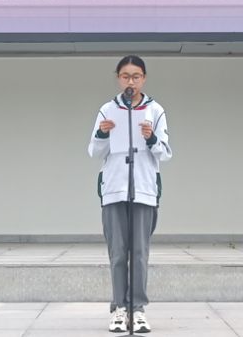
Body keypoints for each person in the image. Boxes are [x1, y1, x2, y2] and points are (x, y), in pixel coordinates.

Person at [88, 55, 172, 334]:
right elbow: (94, 151)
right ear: (118, 79)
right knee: (117, 253)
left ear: (144, 79)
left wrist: (151, 138)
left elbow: (165, 152)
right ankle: (119, 309)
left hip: (144, 189)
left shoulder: (155, 110)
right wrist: (102, 134)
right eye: (126, 76)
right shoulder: (107, 109)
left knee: (139, 253)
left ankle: (137, 309)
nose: (131, 82)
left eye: (136, 76)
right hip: (114, 189)